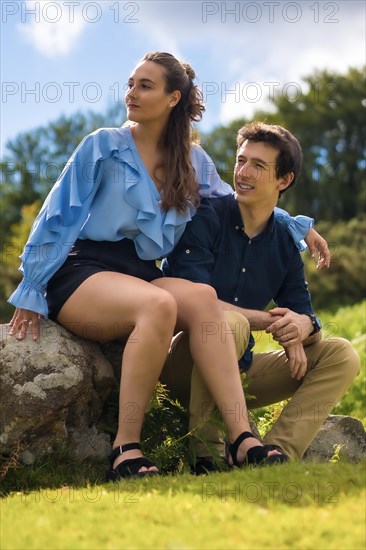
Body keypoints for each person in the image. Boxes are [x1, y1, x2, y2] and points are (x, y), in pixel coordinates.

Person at [8, 52, 327, 477]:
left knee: (200, 295)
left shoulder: (195, 162)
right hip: (83, 270)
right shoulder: (103, 144)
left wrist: (295, 224)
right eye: (131, 83)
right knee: (158, 305)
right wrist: (32, 288)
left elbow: (237, 203)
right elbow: (57, 215)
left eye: (145, 85)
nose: (131, 94)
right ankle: (126, 449)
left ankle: (240, 438)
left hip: (141, 273)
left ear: (173, 97)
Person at [162, 121, 360, 473]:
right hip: (182, 363)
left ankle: (275, 454)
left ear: (284, 181)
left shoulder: (284, 240)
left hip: (242, 371)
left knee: (341, 354)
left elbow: (305, 314)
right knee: (229, 322)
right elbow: (193, 301)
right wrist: (271, 322)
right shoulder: (204, 217)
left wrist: (300, 327)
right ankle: (207, 454)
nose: (243, 172)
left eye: (258, 165)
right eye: (241, 160)